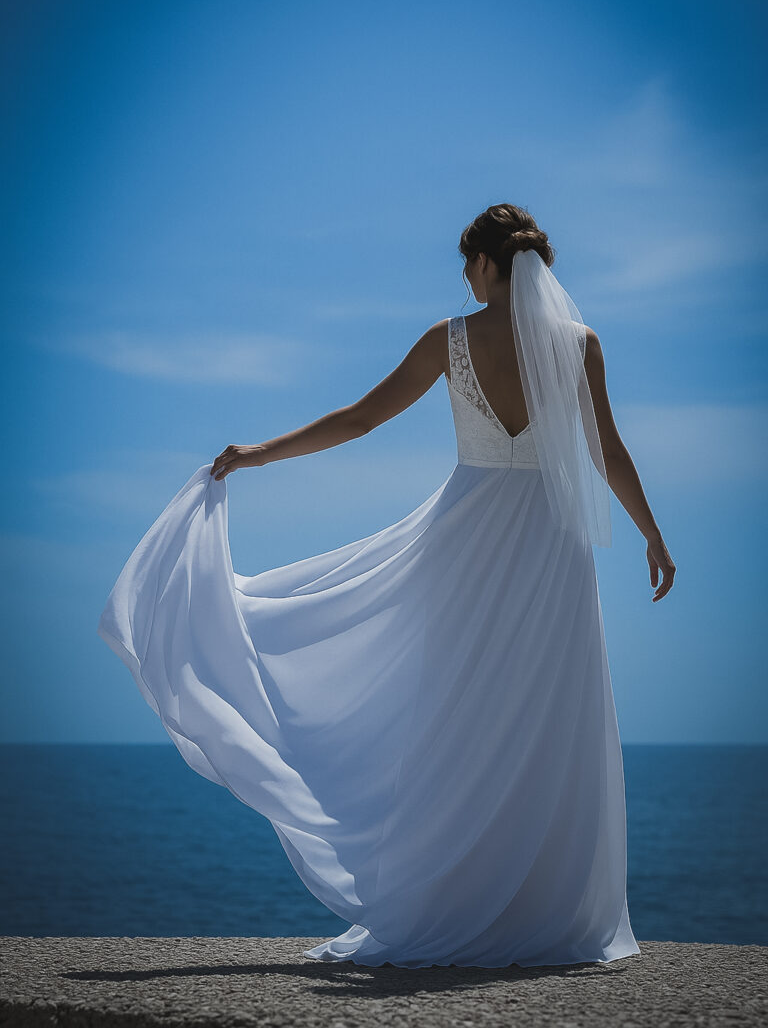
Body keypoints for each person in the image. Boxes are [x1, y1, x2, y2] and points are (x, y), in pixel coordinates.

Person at [98, 202, 675, 970]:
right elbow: (608, 451)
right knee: (546, 714)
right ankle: (539, 909)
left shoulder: (450, 339)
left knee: (458, 714)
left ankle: (455, 900)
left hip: (465, 544)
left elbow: (361, 420)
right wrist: (651, 534)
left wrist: (261, 453)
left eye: (468, 264)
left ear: (487, 264)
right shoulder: (580, 343)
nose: (466, 277)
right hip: (551, 548)